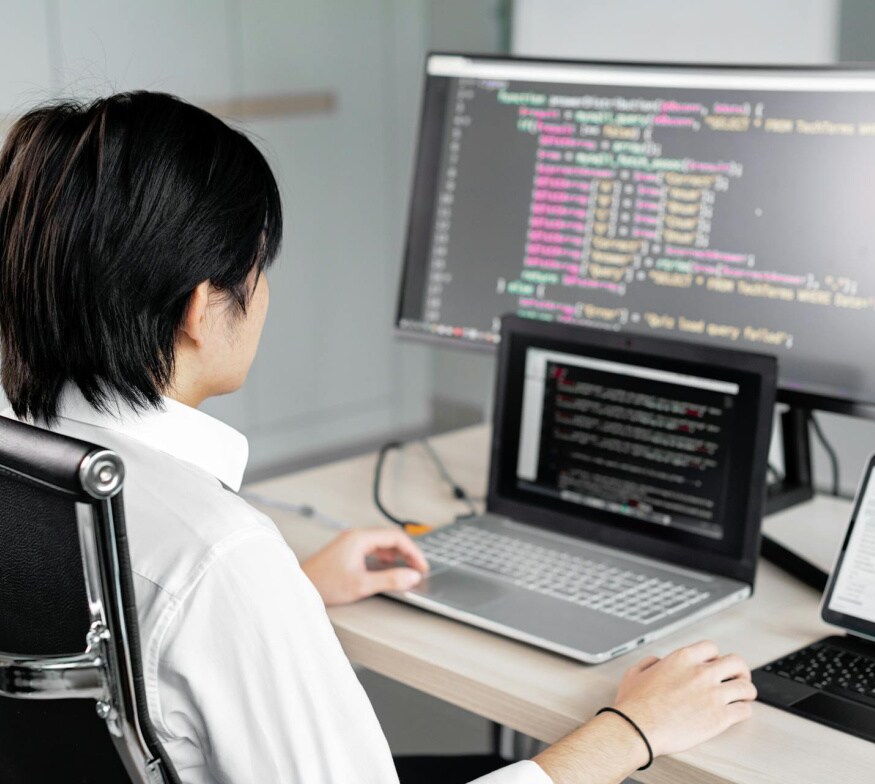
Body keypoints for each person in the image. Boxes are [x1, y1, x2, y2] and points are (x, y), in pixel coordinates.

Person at [0, 92, 756, 784]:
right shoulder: (220, 558)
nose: (265, 292)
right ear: (202, 308)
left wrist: (289, 595)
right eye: (259, 269)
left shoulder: (32, 467)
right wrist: (632, 730)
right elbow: (198, 580)